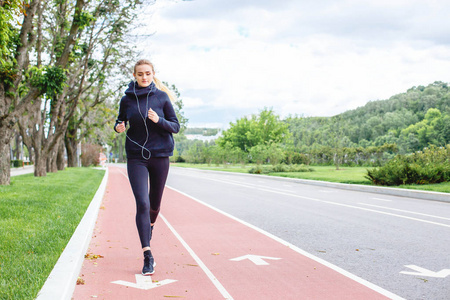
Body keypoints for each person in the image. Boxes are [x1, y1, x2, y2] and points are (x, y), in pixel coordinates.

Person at [114, 59, 180, 275]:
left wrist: (158, 120)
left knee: (154, 204)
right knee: (142, 203)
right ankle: (148, 255)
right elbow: (120, 120)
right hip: (136, 157)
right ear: (135, 75)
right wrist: (118, 127)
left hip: (160, 155)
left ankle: (149, 226)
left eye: (148, 74)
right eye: (140, 74)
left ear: (153, 74)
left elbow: (175, 126)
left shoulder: (161, 98)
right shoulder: (127, 99)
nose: (144, 77)